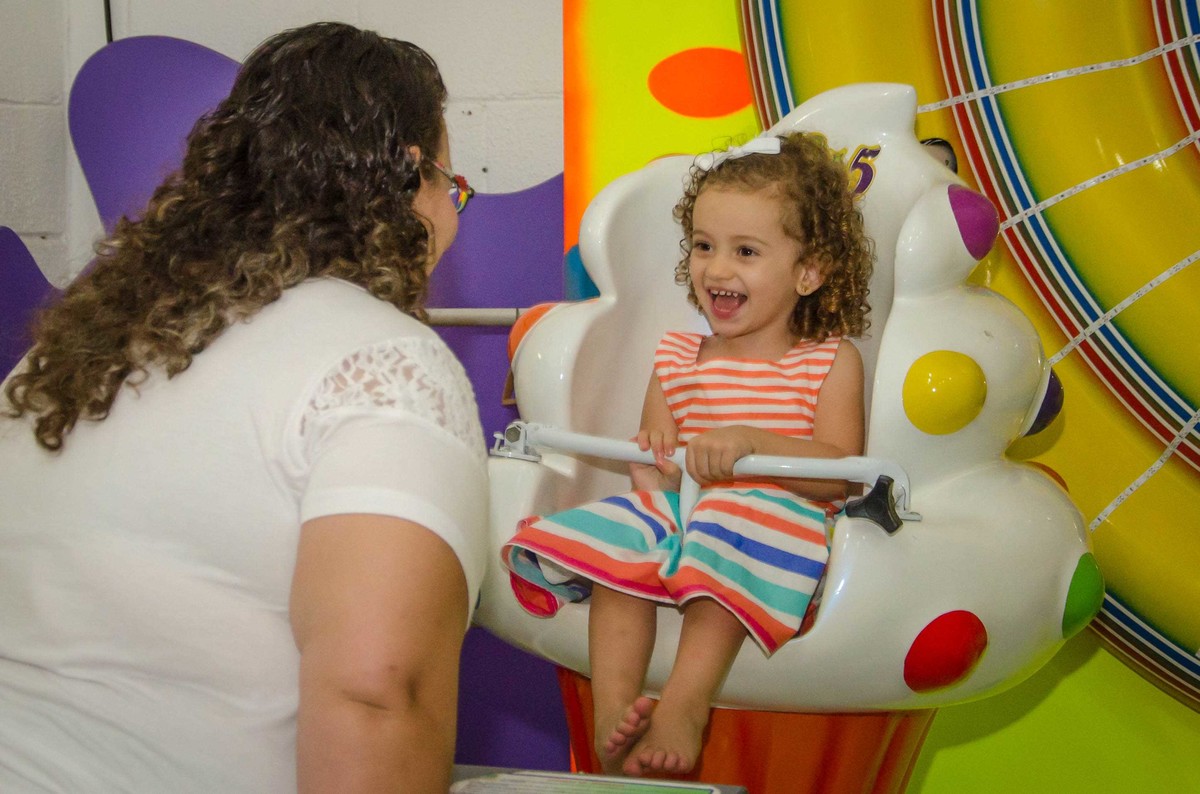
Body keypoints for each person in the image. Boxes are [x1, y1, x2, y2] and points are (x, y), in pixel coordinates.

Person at [0, 22, 484, 794]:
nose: (453, 220)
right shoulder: (383, 365)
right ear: (408, 174)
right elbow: (377, 696)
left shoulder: (66, 355)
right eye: (451, 189)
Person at [503, 132, 873, 777]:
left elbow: (840, 472)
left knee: (725, 525)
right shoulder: (677, 358)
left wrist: (753, 445)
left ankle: (685, 703)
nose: (717, 269)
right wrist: (654, 465)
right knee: (624, 547)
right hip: (692, 515)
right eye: (704, 246)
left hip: (777, 530)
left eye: (746, 251)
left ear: (808, 272)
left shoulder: (828, 360)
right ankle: (614, 712)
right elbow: (661, 473)